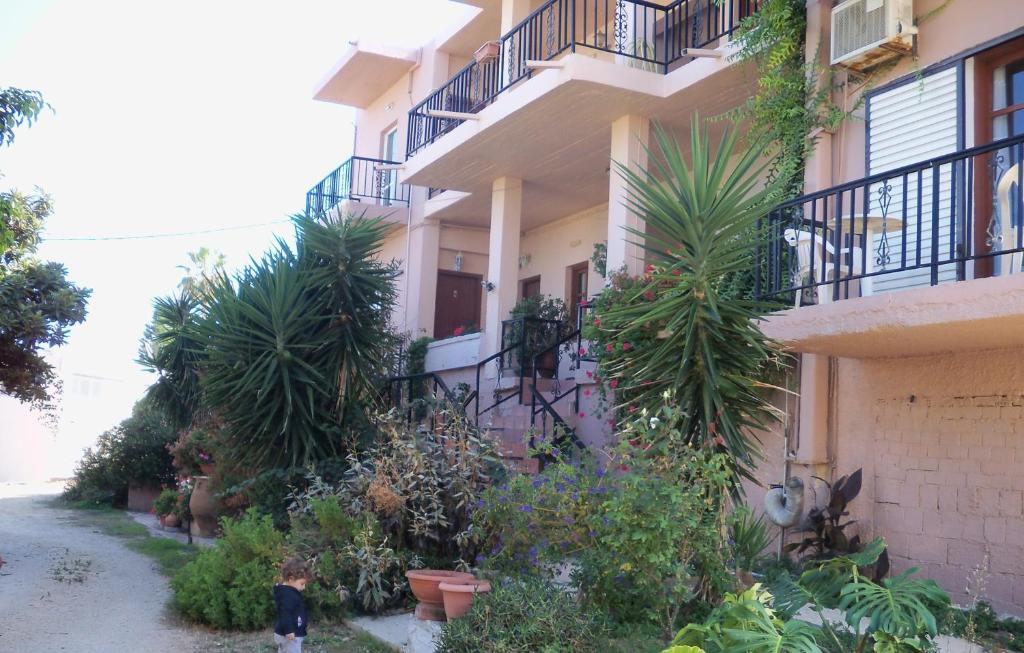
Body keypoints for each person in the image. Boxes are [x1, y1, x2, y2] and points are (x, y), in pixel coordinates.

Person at [273, 557, 310, 653]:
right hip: (289, 635)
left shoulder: (289, 592)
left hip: (290, 634)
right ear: (291, 579)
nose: (304, 587)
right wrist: (289, 630)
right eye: (302, 584)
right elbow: (285, 612)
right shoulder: (288, 595)